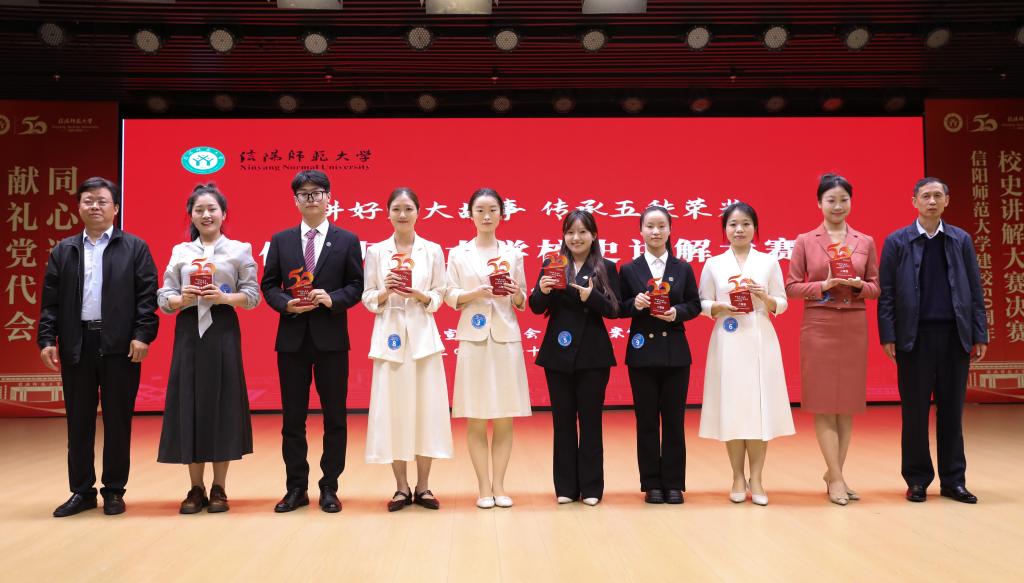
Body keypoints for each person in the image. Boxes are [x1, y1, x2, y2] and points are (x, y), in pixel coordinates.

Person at [38, 176, 159, 517]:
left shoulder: (134, 247)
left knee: (118, 421)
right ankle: (81, 491)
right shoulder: (64, 250)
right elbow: (50, 302)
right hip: (77, 343)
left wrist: (143, 334)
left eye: (102, 201)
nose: (94, 206)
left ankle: (114, 490)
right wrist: (46, 338)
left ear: (115, 208)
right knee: (78, 422)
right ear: (78, 207)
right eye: (88, 200)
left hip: (121, 345)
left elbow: (147, 297)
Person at [878, 177, 987, 504]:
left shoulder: (960, 239)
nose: (931, 201)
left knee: (952, 412)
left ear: (947, 201)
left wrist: (979, 332)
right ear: (914, 201)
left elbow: (975, 288)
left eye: (938, 195)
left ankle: (954, 481)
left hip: (955, 336)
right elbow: (887, 294)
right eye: (925, 196)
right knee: (914, 413)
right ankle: (917, 480)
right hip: (914, 338)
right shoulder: (897, 241)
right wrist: (888, 335)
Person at [260, 170, 364, 513]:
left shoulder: (347, 239)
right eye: (304, 194)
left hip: (332, 340)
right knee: (293, 419)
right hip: (292, 340)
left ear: (328, 197)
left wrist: (333, 299)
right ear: (296, 200)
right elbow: (269, 285)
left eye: (317, 192)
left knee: (335, 418)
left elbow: (356, 286)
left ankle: (329, 487)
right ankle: (296, 488)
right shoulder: (281, 240)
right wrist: (286, 304)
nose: (311, 198)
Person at [156, 183, 260, 514]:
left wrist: (224, 297)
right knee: (190, 402)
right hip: (189, 331)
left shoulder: (240, 249)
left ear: (223, 214)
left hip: (222, 330)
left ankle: (219, 487)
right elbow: (164, 297)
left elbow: (253, 296)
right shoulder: (181, 251)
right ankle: (195, 487)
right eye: (199, 210)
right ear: (191, 215)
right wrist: (180, 299)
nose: (206, 215)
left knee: (222, 404)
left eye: (212, 209)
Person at [785, 174, 880, 506]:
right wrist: (823, 285)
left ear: (851, 202)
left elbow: (876, 287)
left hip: (853, 324)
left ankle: (834, 472)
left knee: (847, 406)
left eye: (843, 200)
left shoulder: (864, 241)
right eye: (831, 200)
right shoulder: (805, 240)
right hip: (819, 324)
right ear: (819, 203)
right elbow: (791, 287)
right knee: (825, 404)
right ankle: (837, 478)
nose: (838, 206)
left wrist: (858, 285)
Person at [362, 187, 453, 512]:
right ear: (387, 213)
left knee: (426, 410)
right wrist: (386, 291)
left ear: (418, 212)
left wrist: (421, 295)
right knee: (393, 411)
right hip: (389, 338)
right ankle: (401, 487)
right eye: (397, 209)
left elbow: (440, 294)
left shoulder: (432, 250)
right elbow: (367, 296)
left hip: (423, 339)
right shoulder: (376, 251)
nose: (402, 214)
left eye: (408, 209)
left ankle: (423, 486)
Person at [698, 201, 794, 506]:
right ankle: (737, 477)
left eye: (745, 224)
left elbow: (782, 301)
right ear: (725, 229)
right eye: (733, 224)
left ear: (755, 228)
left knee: (758, 410)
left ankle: (757, 478)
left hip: (759, 336)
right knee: (733, 408)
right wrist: (716, 307)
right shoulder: (714, 263)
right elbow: (702, 301)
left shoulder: (768, 262)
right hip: (727, 339)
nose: (739, 229)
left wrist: (765, 298)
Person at [446, 188, 532, 509]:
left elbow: (522, 299)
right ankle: (483, 487)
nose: (486, 216)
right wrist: (475, 292)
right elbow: (449, 294)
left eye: (492, 210)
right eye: (480, 210)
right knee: (477, 416)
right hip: (474, 338)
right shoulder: (459, 253)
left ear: (502, 215)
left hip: (505, 338)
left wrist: (514, 291)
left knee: (505, 416)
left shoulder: (513, 253)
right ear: (470, 214)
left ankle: (500, 485)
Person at [529, 210, 620, 506]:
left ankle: (592, 487)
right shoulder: (553, 265)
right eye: (570, 232)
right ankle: (566, 487)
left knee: (591, 422)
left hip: (593, 355)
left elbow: (615, 310)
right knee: (563, 422)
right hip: (558, 354)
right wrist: (542, 290)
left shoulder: (605, 267)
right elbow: (535, 306)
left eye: (582, 232)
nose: (576, 238)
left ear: (594, 235)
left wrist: (590, 297)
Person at [618, 206, 701, 505]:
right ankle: (652, 483)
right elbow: (618, 307)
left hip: (675, 354)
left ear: (669, 230)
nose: (655, 232)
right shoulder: (629, 269)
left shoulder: (682, 268)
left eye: (661, 226)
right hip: (642, 354)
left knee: (675, 421)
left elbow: (694, 304)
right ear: (640, 231)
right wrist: (635, 304)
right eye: (650, 226)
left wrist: (677, 312)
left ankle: (674, 483)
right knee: (647, 421)